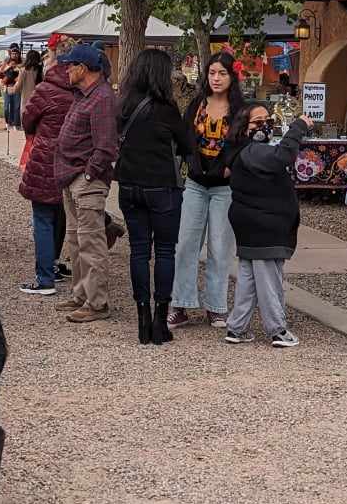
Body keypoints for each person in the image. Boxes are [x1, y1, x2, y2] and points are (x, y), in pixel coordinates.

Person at [116, 48, 194, 345]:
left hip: (129, 185)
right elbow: (187, 145)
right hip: (162, 187)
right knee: (164, 252)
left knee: (138, 252)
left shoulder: (122, 105)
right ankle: (161, 321)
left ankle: (142, 319)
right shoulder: (166, 109)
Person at [170, 51, 245, 328]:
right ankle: (181, 302)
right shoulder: (197, 104)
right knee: (186, 243)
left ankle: (216, 305)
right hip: (196, 183)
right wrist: (192, 159)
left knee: (219, 245)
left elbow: (243, 144)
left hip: (224, 187)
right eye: (212, 73)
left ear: (231, 77)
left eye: (222, 73)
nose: (216, 78)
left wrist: (229, 166)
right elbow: (184, 136)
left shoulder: (240, 110)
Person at [225, 105, 310, 348]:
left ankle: (236, 327)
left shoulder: (242, 150)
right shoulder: (254, 152)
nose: (264, 125)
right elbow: (283, 156)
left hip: (250, 224)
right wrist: (298, 127)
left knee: (249, 279)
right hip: (265, 227)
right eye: (257, 121)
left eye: (267, 119)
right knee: (269, 279)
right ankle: (278, 330)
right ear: (244, 126)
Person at [53, 43, 120, 323]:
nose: (66, 69)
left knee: (91, 244)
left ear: (83, 68)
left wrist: (89, 175)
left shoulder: (102, 98)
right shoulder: (84, 95)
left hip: (85, 180)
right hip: (73, 178)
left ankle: (97, 302)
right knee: (76, 241)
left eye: (71, 65)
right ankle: (81, 295)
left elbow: (106, 147)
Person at [15, 51, 76, 297]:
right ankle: (57, 265)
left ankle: (45, 276)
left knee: (42, 218)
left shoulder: (46, 89)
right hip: (73, 159)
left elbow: (27, 119)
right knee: (64, 215)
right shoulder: (83, 89)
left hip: (45, 158)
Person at [0, 50, 24, 129]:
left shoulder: (21, 65)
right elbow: (0, 73)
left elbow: (22, 74)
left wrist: (18, 69)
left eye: (16, 53)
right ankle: (8, 122)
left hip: (16, 88)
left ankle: (15, 124)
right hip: (7, 88)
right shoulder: (6, 64)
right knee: (6, 107)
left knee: (16, 107)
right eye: (13, 53)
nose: (14, 55)